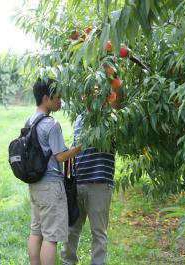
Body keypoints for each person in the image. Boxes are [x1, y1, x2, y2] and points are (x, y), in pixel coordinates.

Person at [26, 79, 82, 265]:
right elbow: (60, 156)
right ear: (46, 98)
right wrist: (78, 148)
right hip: (50, 185)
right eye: (57, 97)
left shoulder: (30, 121)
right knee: (50, 237)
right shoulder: (52, 124)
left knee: (36, 231)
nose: (60, 101)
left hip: (35, 184)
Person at [61, 112, 116, 265]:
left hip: (100, 183)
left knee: (98, 231)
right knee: (71, 228)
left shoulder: (109, 118)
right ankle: (67, 261)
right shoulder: (79, 118)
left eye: (97, 88)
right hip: (78, 184)